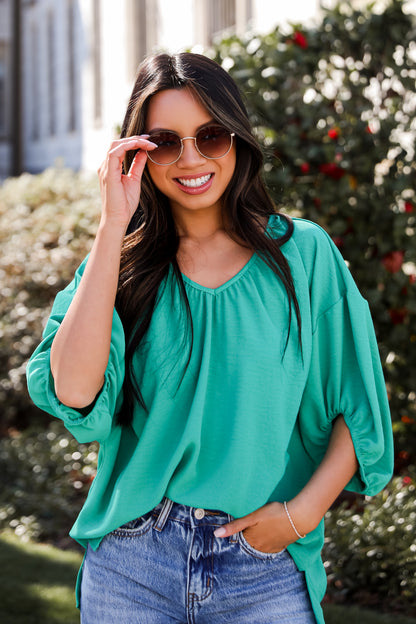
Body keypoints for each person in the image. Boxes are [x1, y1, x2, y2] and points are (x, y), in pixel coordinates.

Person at [26, 52, 393, 624]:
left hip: (262, 567)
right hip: (133, 566)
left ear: (238, 140)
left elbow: (359, 404)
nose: (191, 158)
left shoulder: (304, 255)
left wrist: (297, 518)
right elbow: (74, 392)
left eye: (211, 136)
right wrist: (110, 225)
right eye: (166, 141)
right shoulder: (118, 270)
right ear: (139, 152)